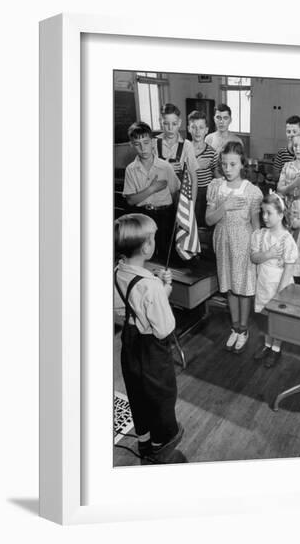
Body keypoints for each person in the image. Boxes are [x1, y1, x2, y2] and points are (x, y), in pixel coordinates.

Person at [114, 214, 183, 460]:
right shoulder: (151, 285)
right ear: (146, 246)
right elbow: (164, 328)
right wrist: (165, 292)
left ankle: (144, 442)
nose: (154, 241)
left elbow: (124, 308)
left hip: (130, 347)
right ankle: (161, 447)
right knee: (160, 397)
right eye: (153, 238)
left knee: (138, 394)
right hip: (152, 352)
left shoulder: (117, 271)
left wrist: (158, 289)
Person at [205, 141, 263, 354]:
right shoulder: (215, 187)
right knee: (229, 285)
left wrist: (257, 249)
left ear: (242, 164)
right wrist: (224, 206)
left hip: (243, 242)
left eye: (233, 164)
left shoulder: (252, 191)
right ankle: (235, 327)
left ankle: (244, 329)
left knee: (243, 287)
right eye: (224, 164)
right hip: (222, 241)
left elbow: (256, 225)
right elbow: (209, 220)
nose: (228, 169)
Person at [251, 193, 298, 367]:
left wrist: (280, 293)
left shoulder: (287, 240)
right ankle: (267, 344)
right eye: (262, 212)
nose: (264, 217)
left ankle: (276, 349)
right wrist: (268, 254)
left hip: (279, 285)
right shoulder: (260, 235)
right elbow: (254, 258)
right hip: (264, 282)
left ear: (280, 215)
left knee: (277, 318)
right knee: (265, 317)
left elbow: (288, 268)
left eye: (268, 213)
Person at [123, 121, 180, 263]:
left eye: (146, 142)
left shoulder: (165, 166)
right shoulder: (131, 169)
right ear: (131, 145)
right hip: (143, 216)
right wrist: (152, 189)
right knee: (146, 254)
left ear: (153, 142)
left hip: (165, 216)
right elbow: (131, 200)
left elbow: (174, 191)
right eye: (137, 144)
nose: (143, 148)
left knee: (166, 255)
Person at [154, 103, 198, 202]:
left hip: (179, 200)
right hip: (158, 199)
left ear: (179, 123)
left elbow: (194, 180)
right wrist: (167, 167)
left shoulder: (187, 145)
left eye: (174, 124)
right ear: (160, 122)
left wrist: (192, 206)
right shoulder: (153, 144)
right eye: (166, 123)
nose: (170, 128)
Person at [187, 110, 218, 227]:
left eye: (201, 127)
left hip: (206, 193)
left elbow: (217, 176)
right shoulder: (184, 150)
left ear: (206, 130)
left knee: (204, 225)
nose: (197, 131)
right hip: (188, 193)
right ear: (189, 128)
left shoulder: (212, 152)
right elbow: (179, 174)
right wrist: (196, 164)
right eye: (194, 127)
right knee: (189, 225)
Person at [277, 130, 300, 210]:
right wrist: (293, 184)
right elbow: (279, 189)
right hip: (287, 210)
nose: (297, 149)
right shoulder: (287, 166)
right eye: (295, 145)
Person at [270, 115, 300, 190]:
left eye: (294, 132)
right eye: (288, 132)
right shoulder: (281, 153)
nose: (291, 134)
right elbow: (275, 175)